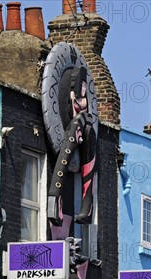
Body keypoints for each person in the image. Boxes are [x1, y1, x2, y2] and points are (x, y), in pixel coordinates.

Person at [47, 67, 97, 226]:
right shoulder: (74, 116)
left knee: (86, 135)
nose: (81, 102)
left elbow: (82, 107)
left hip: (83, 131)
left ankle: (86, 207)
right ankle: (55, 200)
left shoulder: (85, 122)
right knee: (69, 143)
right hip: (74, 129)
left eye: (84, 92)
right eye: (78, 92)